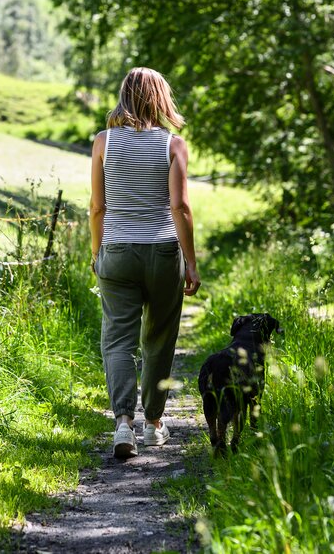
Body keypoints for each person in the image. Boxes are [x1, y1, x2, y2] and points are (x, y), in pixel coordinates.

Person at [89, 67, 201, 459]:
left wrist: (96, 252)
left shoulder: (103, 142)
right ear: (160, 98)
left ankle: (123, 423)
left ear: (125, 95)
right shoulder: (174, 145)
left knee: (118, 340)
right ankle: (153, 425)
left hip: (117, 251)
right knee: (159, 340)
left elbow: (98, 207)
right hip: (162, 250)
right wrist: (191, 261)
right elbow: (180, 206)